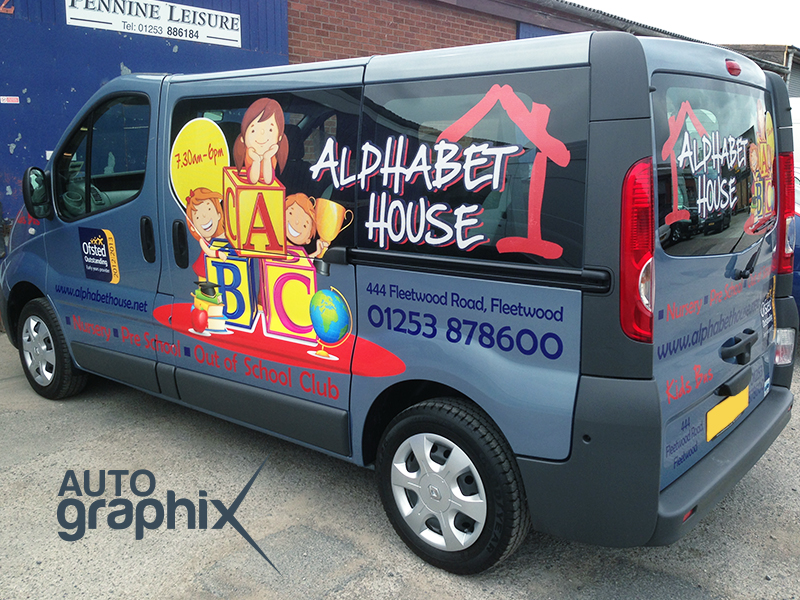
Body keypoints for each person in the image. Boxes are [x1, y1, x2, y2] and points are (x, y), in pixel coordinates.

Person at [233, 98, 289, 185]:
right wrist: (256, 160)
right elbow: (253, 180)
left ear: (280, 137)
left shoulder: (272, 153)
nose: (262, 135)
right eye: (253, 131)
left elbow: (268, 180)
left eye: (270, 130)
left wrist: (267, 158)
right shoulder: (250, 152)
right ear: (243, 138)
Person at [185, 187, 228, 280]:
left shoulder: (223, 235)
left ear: (219, 214)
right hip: (205, 270)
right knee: (205, 287)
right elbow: (208, 252)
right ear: (192, 226)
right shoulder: (203, 240)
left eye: (209, 209)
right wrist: (218, 254)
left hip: (220, 270)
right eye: (197, 217)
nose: (204, 217)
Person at [285, 193, 329, 258]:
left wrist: (317, 252)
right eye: (290, 213)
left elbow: (301, 262)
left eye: (304, 225)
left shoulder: (300, 253)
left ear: (308, 240)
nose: (297, 222)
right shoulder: (275, 243)